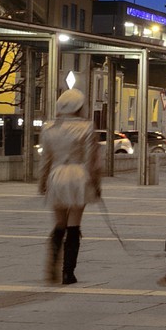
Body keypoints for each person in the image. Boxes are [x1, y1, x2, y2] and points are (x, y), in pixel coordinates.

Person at [37, 88, 103, 284]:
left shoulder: (49, 127)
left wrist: (42, 183)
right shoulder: (86, 127)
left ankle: (52, 264)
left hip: (56, 175)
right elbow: (92, 161)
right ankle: (68, 272)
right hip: (78, 176)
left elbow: (45, 159)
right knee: (74, 225)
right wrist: (96, 184)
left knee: (59, 224)